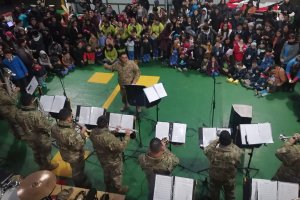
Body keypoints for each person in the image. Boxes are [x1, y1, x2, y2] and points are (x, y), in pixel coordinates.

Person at [15, 93, 58, 170]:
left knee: (36, 151)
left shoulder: (18, 112)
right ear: (31, 102)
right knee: (45, 153)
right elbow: (45, 126)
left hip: (28, 136)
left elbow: (19, 123)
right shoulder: (36, 114)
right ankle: (47, 166)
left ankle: (40, 164)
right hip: (40, 138)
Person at [89, 115, 131, 194]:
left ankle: (107, 185)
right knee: (116, 175)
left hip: (102, 159)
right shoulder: (109, 138)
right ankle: (118, 188)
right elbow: (121, 147)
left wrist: (114, 132)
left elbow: (103, 137)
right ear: (107, 124)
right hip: (113, 161)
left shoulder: (93, 132)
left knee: (106, 172)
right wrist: (127, 136)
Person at [51, 108, 91, 188]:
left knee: (75, 168)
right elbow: (79, 145)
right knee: (77, 171)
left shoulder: (54, 127)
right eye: (71, 117)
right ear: (68, 118)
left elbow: (55, 136)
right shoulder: (70, 133)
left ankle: (80, 178)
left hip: (64, 153)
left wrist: (71, 126)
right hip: (75, 156)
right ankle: (80, 185)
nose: (72, 118)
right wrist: (82, 133)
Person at [204, 130, 243, 200]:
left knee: (214, 193)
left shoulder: (213, 152)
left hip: (215, 178)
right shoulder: (237, 152)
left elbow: (206, 150)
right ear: (230, 140)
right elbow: (237, 163)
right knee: (230, 193)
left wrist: (216, 141)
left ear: (220, 140)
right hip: (229, 178)